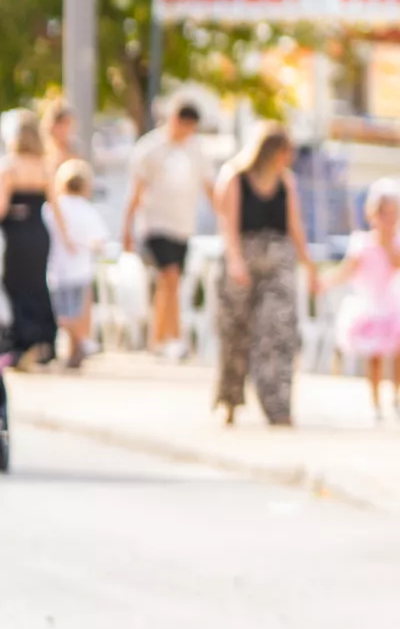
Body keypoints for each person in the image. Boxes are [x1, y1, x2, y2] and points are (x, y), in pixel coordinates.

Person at [211, 125, 311, 427]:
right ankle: (229, 399)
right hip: (242, 260)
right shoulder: (235, 178)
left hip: (277, 265)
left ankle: (277, 405)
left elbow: (295, 227)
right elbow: (227, 225)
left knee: (278, 331)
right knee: (235, 335)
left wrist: (309, 266)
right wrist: (236, 262)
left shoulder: (286, 183)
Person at [124, 102, 211, 358]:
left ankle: (160, 338)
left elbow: (210, 188)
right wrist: (126, 228)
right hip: (155, 224)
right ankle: (171, 338)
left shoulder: (196, 151)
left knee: (171, 283)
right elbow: (135, 192)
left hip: (183, 227)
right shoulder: (150, 149)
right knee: (169, 276)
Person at [333, 184, 400, 422]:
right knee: (375, 356)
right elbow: (347, 271)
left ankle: (398, 396)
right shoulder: (361, 243)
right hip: (370, 304)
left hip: (394, 305)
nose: (389, 220)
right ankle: (375, 401)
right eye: (384, 214)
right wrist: (324, 283)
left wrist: (387, 241)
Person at [3, 112, 72, 368]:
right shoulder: (45, 166)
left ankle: (21, 342)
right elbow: (56, 207)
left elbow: (1, 206)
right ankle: (43, 340)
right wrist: (67, 239)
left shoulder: (9, 166)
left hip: (16, 235)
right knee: (37, 285)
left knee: (14, 286)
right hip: (39, 234)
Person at [45, 159, 111, 371]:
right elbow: (101, 240)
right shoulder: (86, 209)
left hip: (57, 269)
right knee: (73, 312)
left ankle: (77, 346)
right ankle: (78, 345)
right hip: (80, 270)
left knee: (60, 314)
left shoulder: (53, 207)